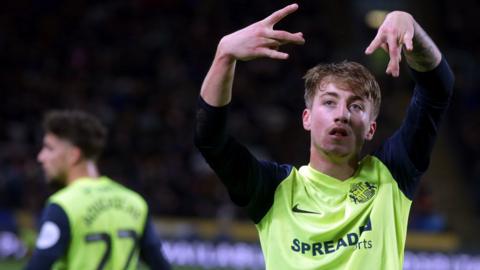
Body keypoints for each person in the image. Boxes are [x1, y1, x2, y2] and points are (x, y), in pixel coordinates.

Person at [194, 3, 454, 270]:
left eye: (356, 106)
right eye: (329, 102)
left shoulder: (392, 173)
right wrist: (224, 54)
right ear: (306, 118)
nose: (341, 114)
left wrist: (407, 21)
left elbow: (437, 89)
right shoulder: (273, 190)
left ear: (370, 128)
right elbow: (210, 139)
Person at [26, 110, 170, 270]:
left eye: (49, 148)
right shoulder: (135, 202)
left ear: (74, 155)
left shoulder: (63, 205)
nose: (41, 157)